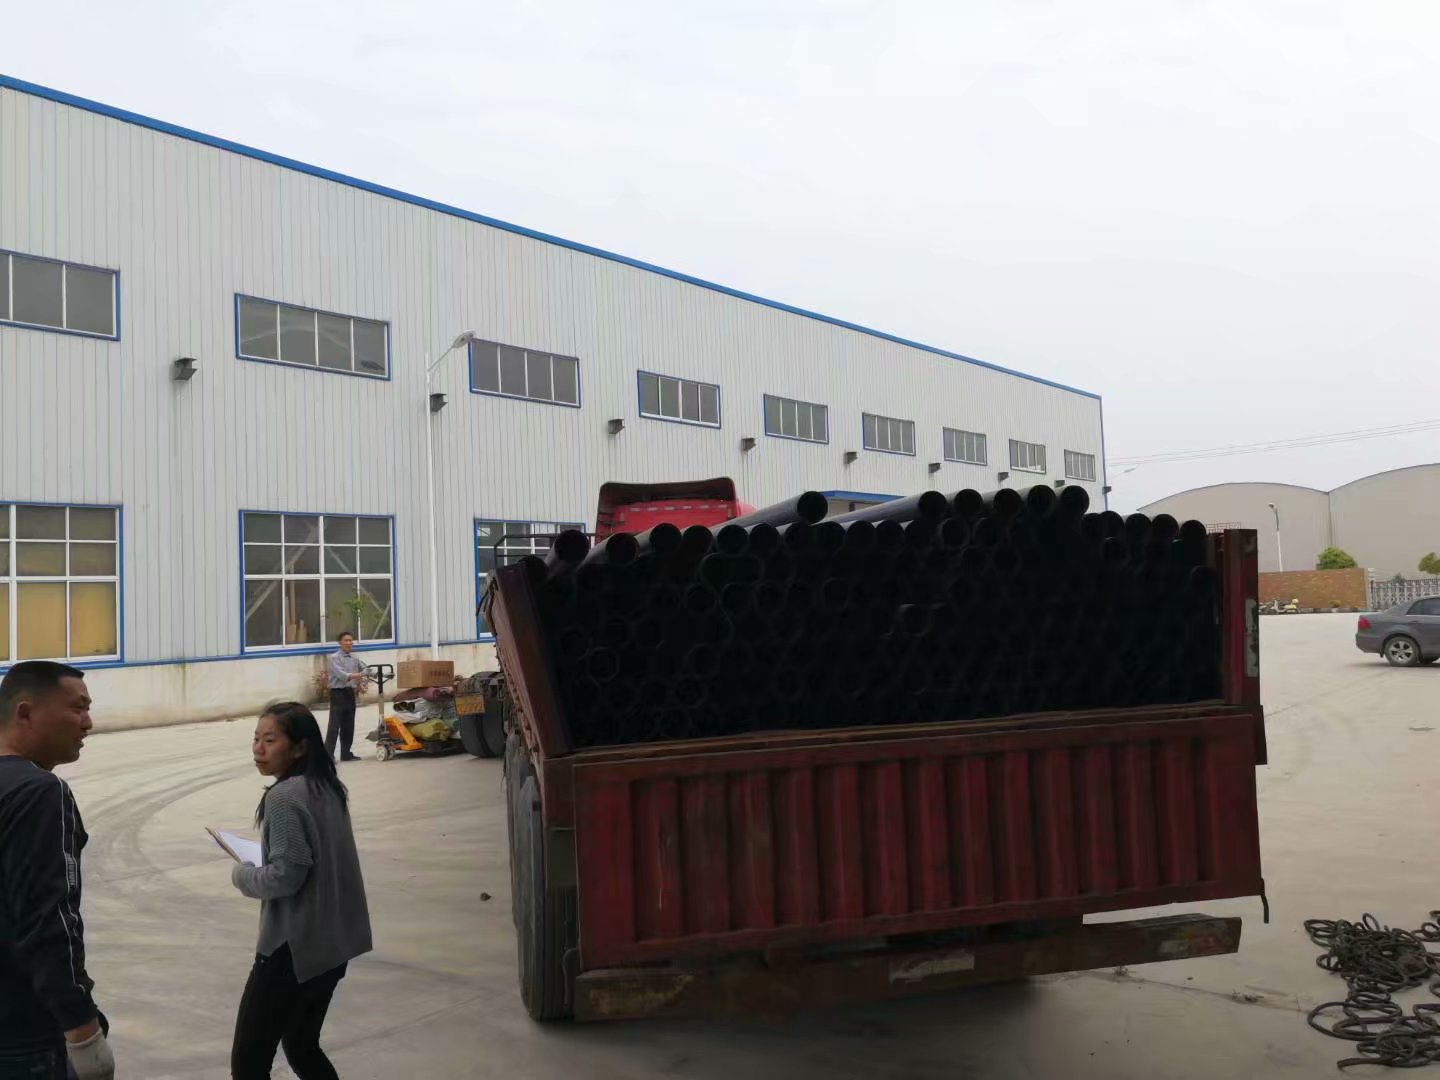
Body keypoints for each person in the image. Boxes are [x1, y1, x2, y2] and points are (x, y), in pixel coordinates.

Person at [230, 701, 372, 1080]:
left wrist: (243, 875)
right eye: (256, 739)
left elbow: (286, 877)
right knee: (302, 1046)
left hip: (291, 952)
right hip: (332, 947)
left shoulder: (284, 797)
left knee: (248, 1064)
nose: (259, 749)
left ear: (299, 748)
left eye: (270, 740)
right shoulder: (328, 787)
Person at [0, 661, 115, 1080]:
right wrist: (82, 1029)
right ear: (26, 712)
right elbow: (49, 921)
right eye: (77, 708)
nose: (87, 722)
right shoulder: (39, 792)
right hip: (24, 1037)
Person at [323, 632, 365, 763]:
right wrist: (360, 674)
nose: (349, 643)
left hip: (349, 692)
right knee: (334, 725)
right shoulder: (334, 658)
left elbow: (364, 669)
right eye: (346, 640)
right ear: (340, 642)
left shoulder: (354, 658)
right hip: (337, 693)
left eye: (351, 640)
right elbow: (343, 676)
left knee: (349, 724)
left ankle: (346, 753)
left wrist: (364, 680)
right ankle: (328, 755)